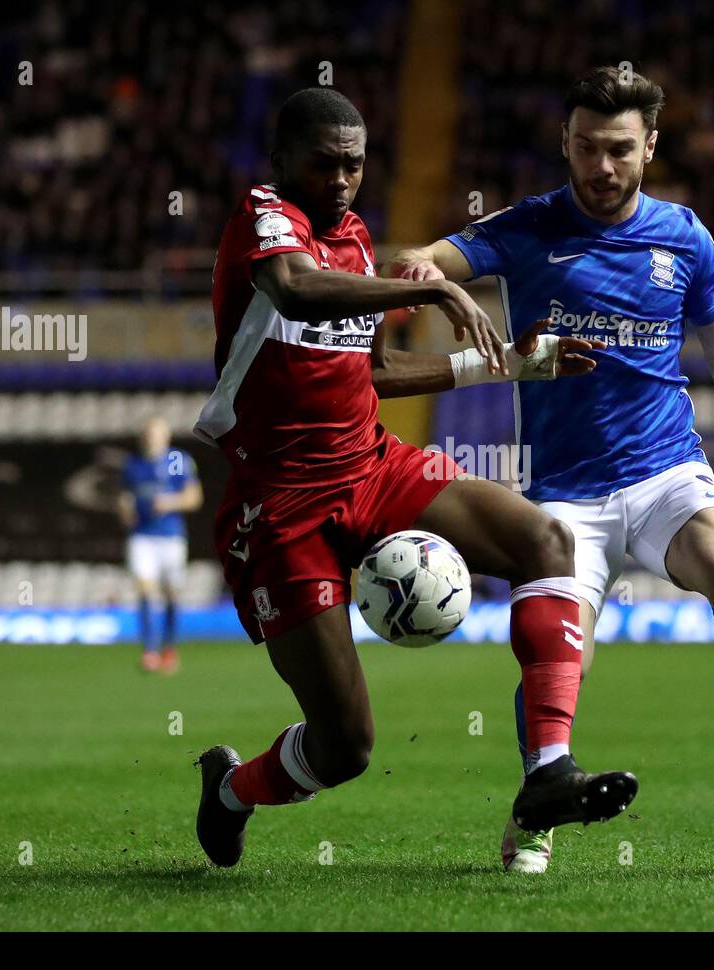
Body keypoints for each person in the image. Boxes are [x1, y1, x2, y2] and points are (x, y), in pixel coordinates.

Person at [190, 87, 635, 868]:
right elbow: (293, 287)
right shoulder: (263, 220)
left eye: (353, 167)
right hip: (281, 506)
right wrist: (427, 285)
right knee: (345, 748)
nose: (339, 182)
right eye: (323, 165)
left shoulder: (356, 239)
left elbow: (374, 371)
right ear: (282, 161)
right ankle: (231, 790)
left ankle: (547, 773)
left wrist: (508, 365)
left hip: (371, 464)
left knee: (543, 538)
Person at [391, 66, 714, 873]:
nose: (600, 166)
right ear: (564, 142)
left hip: (665, 475)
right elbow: (430, 253)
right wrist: (424, 269)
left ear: (650, 147)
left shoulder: (683, 237)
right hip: (564, 494)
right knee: (564, 660)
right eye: (585, 147)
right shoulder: (527, 226)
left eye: (619, 150)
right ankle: (542, 793)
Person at [119, 417, 203, 674]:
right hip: (142, 536)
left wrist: (169, 502)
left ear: (166, 436)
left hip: (171, 535)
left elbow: (193, 498)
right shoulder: (132, 465)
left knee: (171, 593)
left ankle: (169, 648)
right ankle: (150, 651)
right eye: (148, 433)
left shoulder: (178, 461)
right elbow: (125, 497)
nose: (152, 438)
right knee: (145, 590)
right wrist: (125, 511)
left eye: (157, 433)